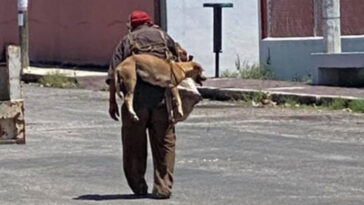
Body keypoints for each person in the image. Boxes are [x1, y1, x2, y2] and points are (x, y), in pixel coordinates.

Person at [106, 10, 179, 199]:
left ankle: (138, 186)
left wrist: (112, 101)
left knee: (133, 146)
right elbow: (178, 67)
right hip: (162, 101)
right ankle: (163, 188)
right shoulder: (164, 37)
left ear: (133, 25)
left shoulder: (127, 41)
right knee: (165, 144)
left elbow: (114, 74)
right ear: (149, 23)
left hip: (136, 103)